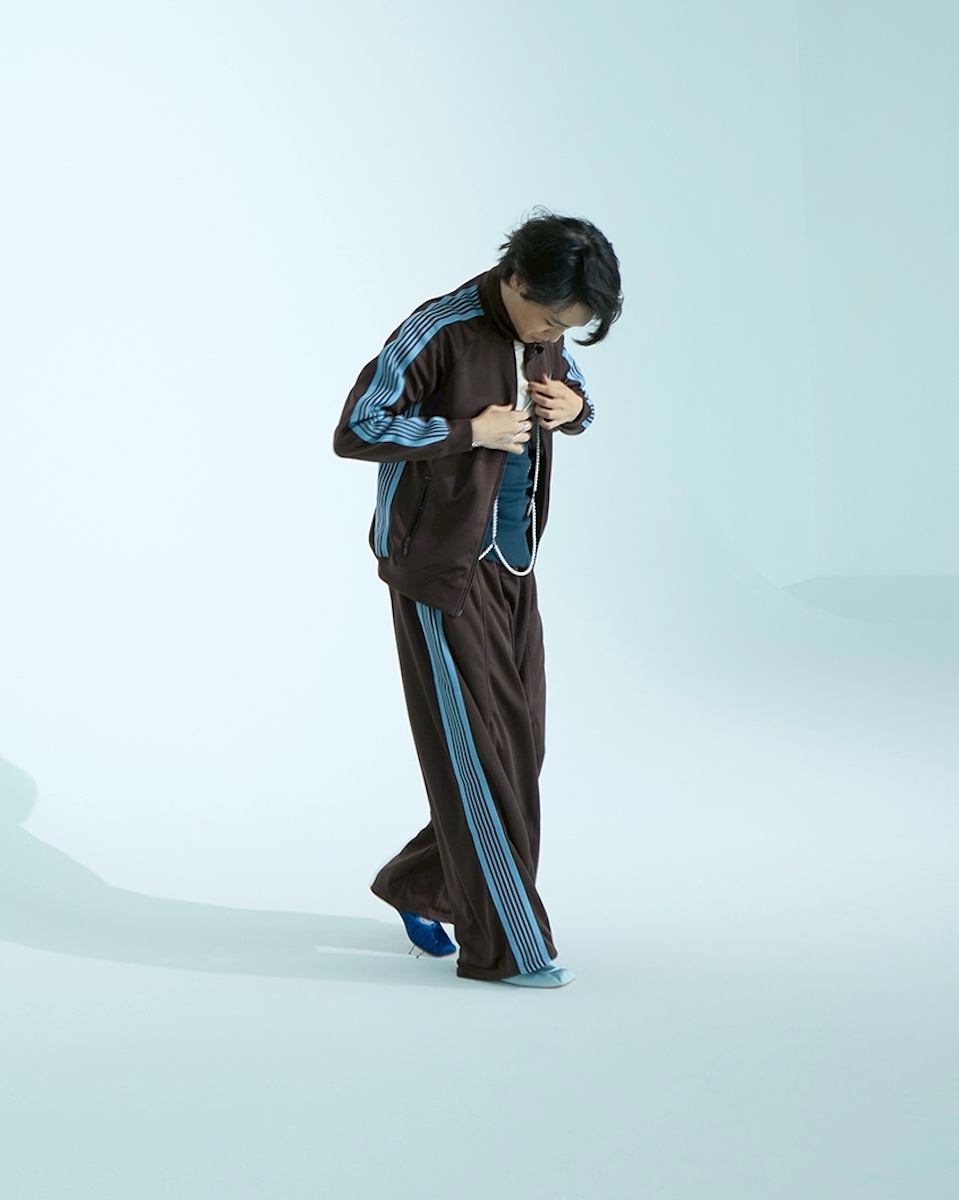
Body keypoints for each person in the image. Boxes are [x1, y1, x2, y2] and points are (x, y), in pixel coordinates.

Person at [333, 211, 622, 987]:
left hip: (512, 563)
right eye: (551, 319)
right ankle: (507, 949)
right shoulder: (438, 329)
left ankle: (420, 885)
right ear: (515, 279)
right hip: (440, 570)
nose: (554, 335)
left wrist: (576, 410)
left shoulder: (544, 333)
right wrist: (469, 431)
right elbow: (357, 428)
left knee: (517, 753)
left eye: (567, 328)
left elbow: (572, 391)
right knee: (483, 762)